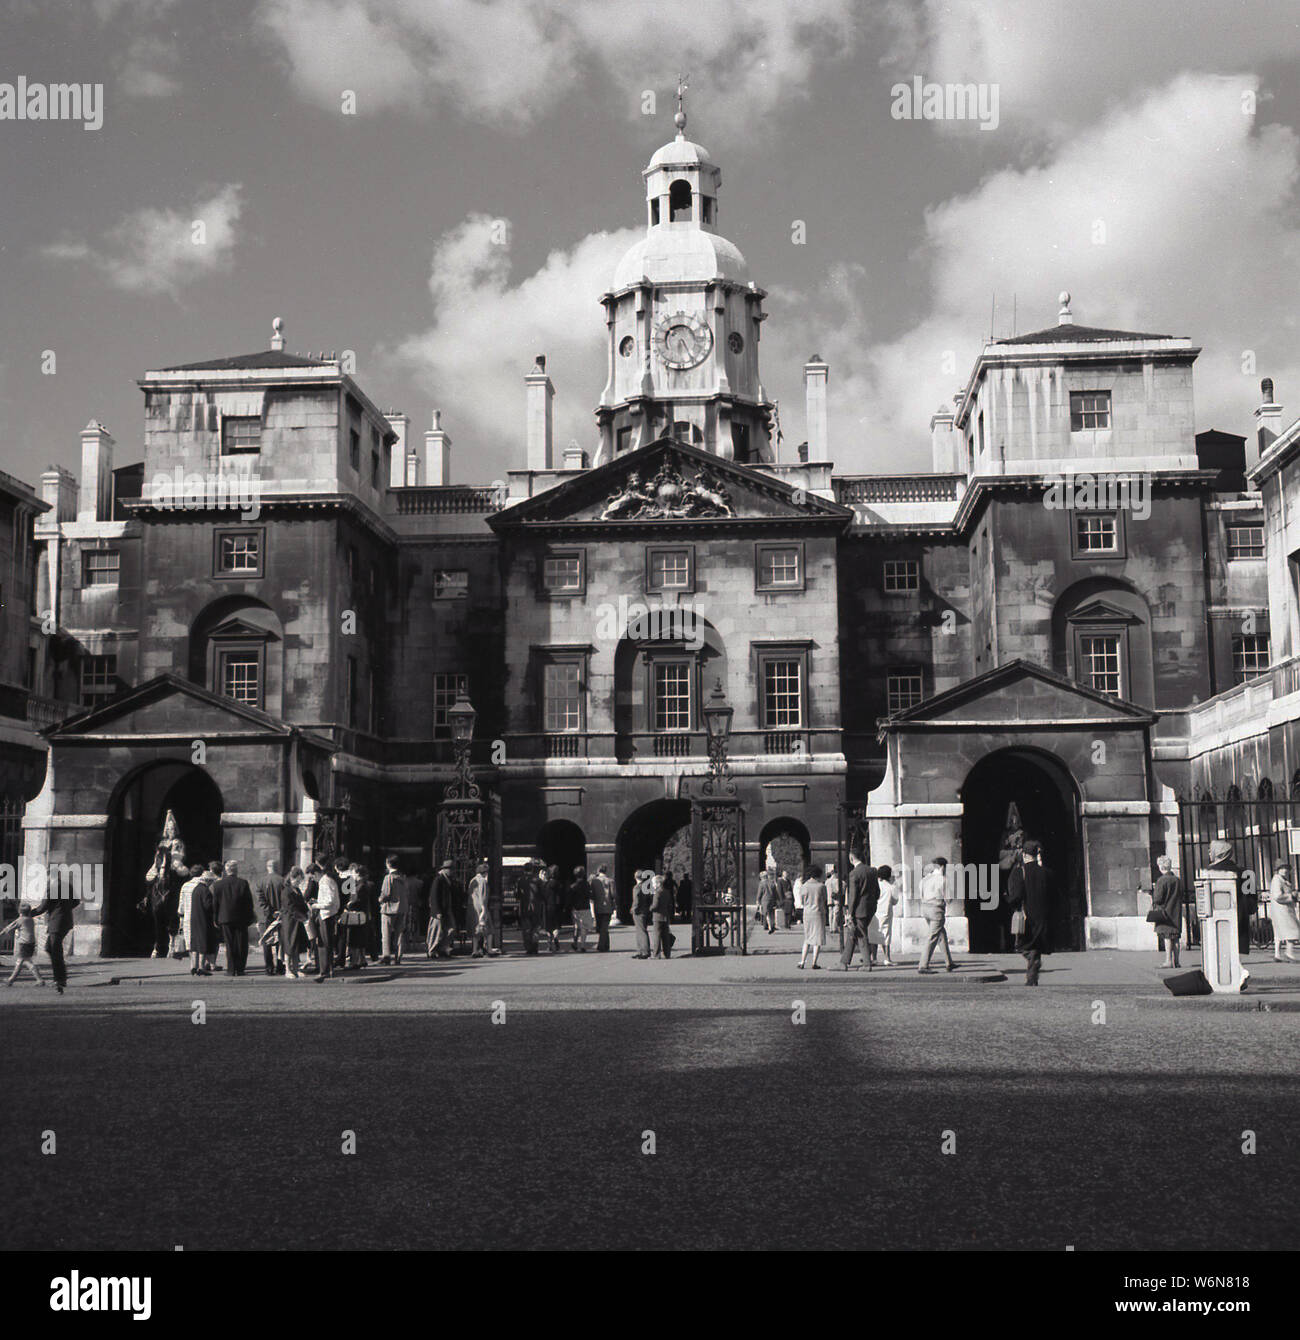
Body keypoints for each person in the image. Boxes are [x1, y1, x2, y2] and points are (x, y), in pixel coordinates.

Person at [1006, 839, 1051, 985]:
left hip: (1026, 916)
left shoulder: (1020, 872)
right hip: (1042, 916)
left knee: (1022, 947)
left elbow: (1016, 896)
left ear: (1025, 855)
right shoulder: (1046, 872)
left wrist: (1007, 898)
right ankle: (1032, 977)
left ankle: (1032, 969)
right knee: (1036, 946)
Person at [1207, 838, 1252, 955]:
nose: (1208, 852)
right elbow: (1251, 898)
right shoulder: (1246, 872)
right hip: (1240, 915)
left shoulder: (1210, 871)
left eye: (1210, 850)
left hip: (1217, 916)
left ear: (1219, 852)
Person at [837, 850, 879, 970]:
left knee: (861, 935)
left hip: (858, 910)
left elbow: (853, 896)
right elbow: (877, 892)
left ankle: (866, 964)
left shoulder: (854, 873)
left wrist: (849, 913)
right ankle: (843, 962)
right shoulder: (872, 871)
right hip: (869, 908)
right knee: (853, 934)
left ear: (851, 858)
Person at [212, 860, 256, 977]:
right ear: (236, 870)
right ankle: (240, 968)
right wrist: (250, 916)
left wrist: (215, 919)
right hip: (241, 918)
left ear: (226, 870)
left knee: (229, 944)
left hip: (225, 917)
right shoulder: (243, 883)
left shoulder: (218, 885)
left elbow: (215, 904)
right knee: (241, 943)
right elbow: (248, 902)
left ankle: (231, 969)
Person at [143, 840, 185, 959]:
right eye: (168, 828)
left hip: (173, 862)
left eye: (171, 828)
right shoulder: (161, 844)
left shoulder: (178, 842)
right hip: (160, 864)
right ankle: (145, 900)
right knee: (150, 879)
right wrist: (157, 866)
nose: (169, 830)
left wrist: (175, 861)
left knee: (181, 876)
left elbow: (182, 855)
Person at [917, 856, 956, 974]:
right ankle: (923, 965)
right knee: (932, 937)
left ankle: (949, 962)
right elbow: (948, 899)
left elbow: (920, 894)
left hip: (925, 909)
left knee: (941, 935)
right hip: (936, 910)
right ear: (943, 867)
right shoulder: (943, 879)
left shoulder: (924, 879)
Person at [182, 863, 217, 976]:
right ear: (208, 881)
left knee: (194, 944)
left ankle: (194, 966)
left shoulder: (196, 889)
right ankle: (201, 968)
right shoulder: (205, 890)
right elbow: (208, 906)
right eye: (211, 881)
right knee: (203, 943)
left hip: (193, 919)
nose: (212, 883)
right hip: (203, 920)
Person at [255, 858, 287, 977]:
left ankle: (269, 968)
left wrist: (270, 911)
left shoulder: (261, 881)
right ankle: (280, 966)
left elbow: (260, 901)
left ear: (267, 867)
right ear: (276, 867)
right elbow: (286, 899)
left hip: (266, 917)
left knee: (267, 942)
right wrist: (279, 912)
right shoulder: (283, 880)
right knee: (280, 942)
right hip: (281, 915)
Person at [1150, 855, 1184, 968]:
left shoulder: (1161, 880)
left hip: (1165, 912)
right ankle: (1177, 962)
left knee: (1167, 937)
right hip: (1176, 912)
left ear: (1161, 866)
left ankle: (1168, 961)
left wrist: (1153, 892)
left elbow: (1158, 899)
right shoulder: (1177, 880)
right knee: (1176, 937)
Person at [310, 860, 340, 980]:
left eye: (312, 877)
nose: (313, 880)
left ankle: (324, 970)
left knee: (324, 943)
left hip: (326, 915)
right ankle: (329, 969)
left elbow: (329, 901)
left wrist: (316, 905)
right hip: (329, 914)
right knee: (327, 943)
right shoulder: (328, 880)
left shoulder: (324, 882)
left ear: (316, 873)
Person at [281, 867, 311, 979]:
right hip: (289, 922)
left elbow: (302, 903)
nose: (298, 883)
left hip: (297, 921)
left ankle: (296, 968)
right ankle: (288, 969)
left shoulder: (297, 890)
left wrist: (307, 912)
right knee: (289, 945)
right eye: (297, 880)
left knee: (297, 945)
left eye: (300, 881)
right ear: (291, 878)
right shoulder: (286, 891)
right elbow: (290, 908)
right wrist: (303, 917)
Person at [3, 904, 44, 986]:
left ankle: (39, 979)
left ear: (20, 912)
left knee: (25, 962)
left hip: (24, 943)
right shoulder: (31, 919)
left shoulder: (20, 920)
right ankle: (11, 980)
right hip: (31, 943)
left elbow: (9, 927)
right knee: (22, 961)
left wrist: (2, 933)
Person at [797, 864, 828, 969]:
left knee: (807, 937)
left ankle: (802, 961)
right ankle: (814, 962)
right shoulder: (821, 886)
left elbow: (802, 901)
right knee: (817, 939)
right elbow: (824, 900)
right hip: (818, 913)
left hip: (807, 913)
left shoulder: (804, 886)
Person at [378, 854, 408, 964]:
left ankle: (386, 956)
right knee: (399, 934)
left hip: (389, 909)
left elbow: (386, 894)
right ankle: (398, 956)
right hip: (402, 908)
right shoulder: (403, 878)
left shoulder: (388, 878)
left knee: (386, 935)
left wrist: (380, 899)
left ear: (388, 864)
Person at [1268, 863, 1300, 963]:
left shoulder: (1282, 880)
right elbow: (1277, 896)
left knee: (1279, 932)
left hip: (1281, 910)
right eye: (1282, 868)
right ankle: (1289, 953)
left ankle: (1277, 954)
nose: (1285, 870)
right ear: (1278, 870)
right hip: (1282, 910)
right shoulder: (1277, 880)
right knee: (1293, 929)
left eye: (1286, 869)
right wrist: (1292, 896)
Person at [428, 860, 456, 958]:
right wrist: (437, 911)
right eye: (450, 869)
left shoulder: (447, 880)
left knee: (450, 929)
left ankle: (443, 948)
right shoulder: (439, 880)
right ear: (445, 869)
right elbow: (434, 896)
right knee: (436, 931)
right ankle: (432, 950)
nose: (452, 871)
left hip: (446, 909)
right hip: (439, 911)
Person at [874, 863, 899, 966]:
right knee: (886, 936)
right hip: (886, 913)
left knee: (873, 935)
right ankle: (887, 958)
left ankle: (873, 958)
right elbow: (894, 901)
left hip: (875, 913)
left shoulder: (876, 885)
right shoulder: (891, 887)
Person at [590, 865, 614, 951]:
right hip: (608, 906)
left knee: (601, 927)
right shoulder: (611, 881)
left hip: (598, 906)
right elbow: (613, 894)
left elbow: (592, 895)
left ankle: (602, 945)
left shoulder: (594, 881)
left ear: (598, 870)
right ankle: (605, 945)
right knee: (605, 926)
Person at [469, 860, 491, 957]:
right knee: (489, 929)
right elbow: (483, 896)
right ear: (485, 872)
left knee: (476, 930)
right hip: (481, 908)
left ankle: (475, 950)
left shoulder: (472, 880)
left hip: (472, 908)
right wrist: (483, 911)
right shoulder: (482, 881)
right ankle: (489, 949)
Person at [650, 874, 674, 958]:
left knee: (657, 936)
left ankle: (656, 954)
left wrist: (650, 908)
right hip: (665, 916)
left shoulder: (657, 893)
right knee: (665, 936)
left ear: (658, 883)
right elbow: (670, 905)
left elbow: (655, 906)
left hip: (657, 916)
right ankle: (667, 954)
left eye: (653, 883)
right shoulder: (667, 892)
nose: (652, 885)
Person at [632, 870, 654, 959]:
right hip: (645, 910)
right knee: (642, 930)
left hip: (639, 911)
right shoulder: (646, 887)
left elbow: (636, 899)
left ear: (636, 877)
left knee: (640, 931)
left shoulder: (637, 887)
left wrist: (634, 909)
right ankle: (642, 950)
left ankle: (643, 951)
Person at [569, 866, 590, 951]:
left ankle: (575, 942)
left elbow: (570, 898)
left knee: (576, 926)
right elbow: (589, 895)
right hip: (585, 907)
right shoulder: (587, 884)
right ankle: (583, 945)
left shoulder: (573, 886)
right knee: (584, 927)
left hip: (576, 908)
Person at [826, 865, 844, 951]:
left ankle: (830, 927)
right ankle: (834, 927)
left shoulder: (827, 881)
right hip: (836, 899)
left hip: (829, 900)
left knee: (830, 913)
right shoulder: (838, 881)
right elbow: (840, 890)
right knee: (836, 913)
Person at [757, 867, 778, 934]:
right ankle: (772, 925)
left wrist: (758, 900)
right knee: (772, 914)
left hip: (765, 901)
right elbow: (775, 892)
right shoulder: (772, 882)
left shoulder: (762, 883)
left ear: (762, 877)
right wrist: (776, 900)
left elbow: (760, 893)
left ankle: (770, 927)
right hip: (772, 900)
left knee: (766, 914)